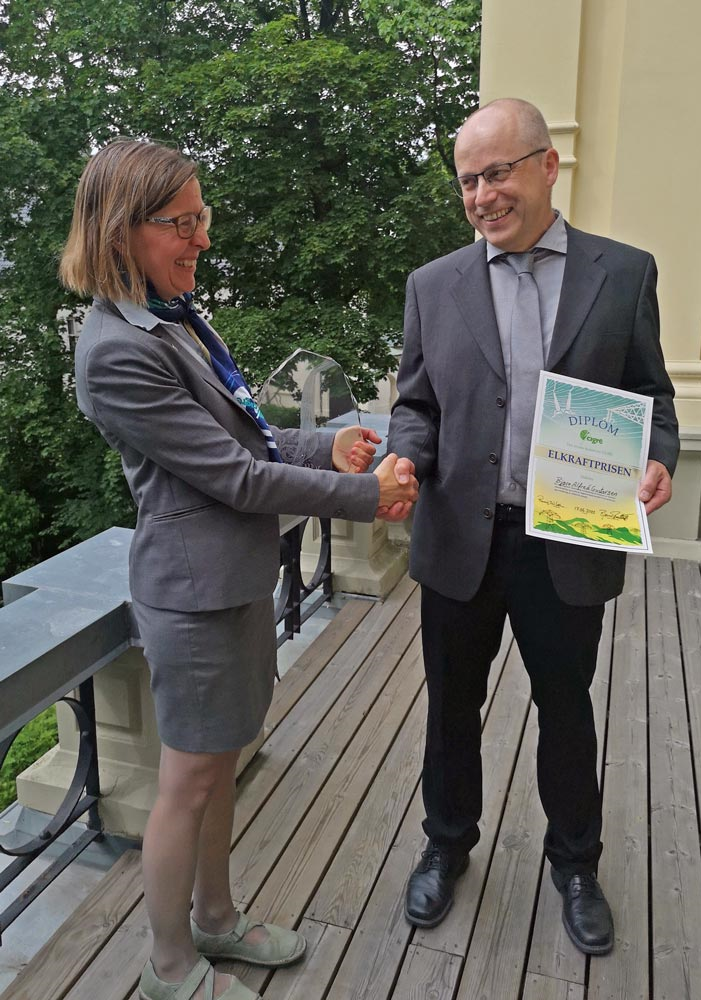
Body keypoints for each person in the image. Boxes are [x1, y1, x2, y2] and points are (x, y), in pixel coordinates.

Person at [60, 139, 417, 1000]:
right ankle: (169, 963)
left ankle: (216, 921)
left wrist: (328, 444)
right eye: (182, 223)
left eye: (201, 218)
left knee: (220, 763)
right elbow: (233, 479)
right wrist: (365, 495)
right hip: (191, 599)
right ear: (121, 229)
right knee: (186, 783)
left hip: (235, 582)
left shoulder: (176, 317)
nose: (201, 240)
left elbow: (248, 439)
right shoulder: (116, 349)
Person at [384, 98, 679, 955]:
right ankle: (446, 846)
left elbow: (651, 395)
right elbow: (418, 405)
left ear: (549, 166)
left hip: (568, 536)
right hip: (459, 540)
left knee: (566, 708)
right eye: (468, 181)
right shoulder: (432, 284)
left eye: (498, 172)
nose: (482, 195)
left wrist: (656, 453)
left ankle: (576, 865)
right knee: (450, 711)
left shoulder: (623, 273)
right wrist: (404, 458)